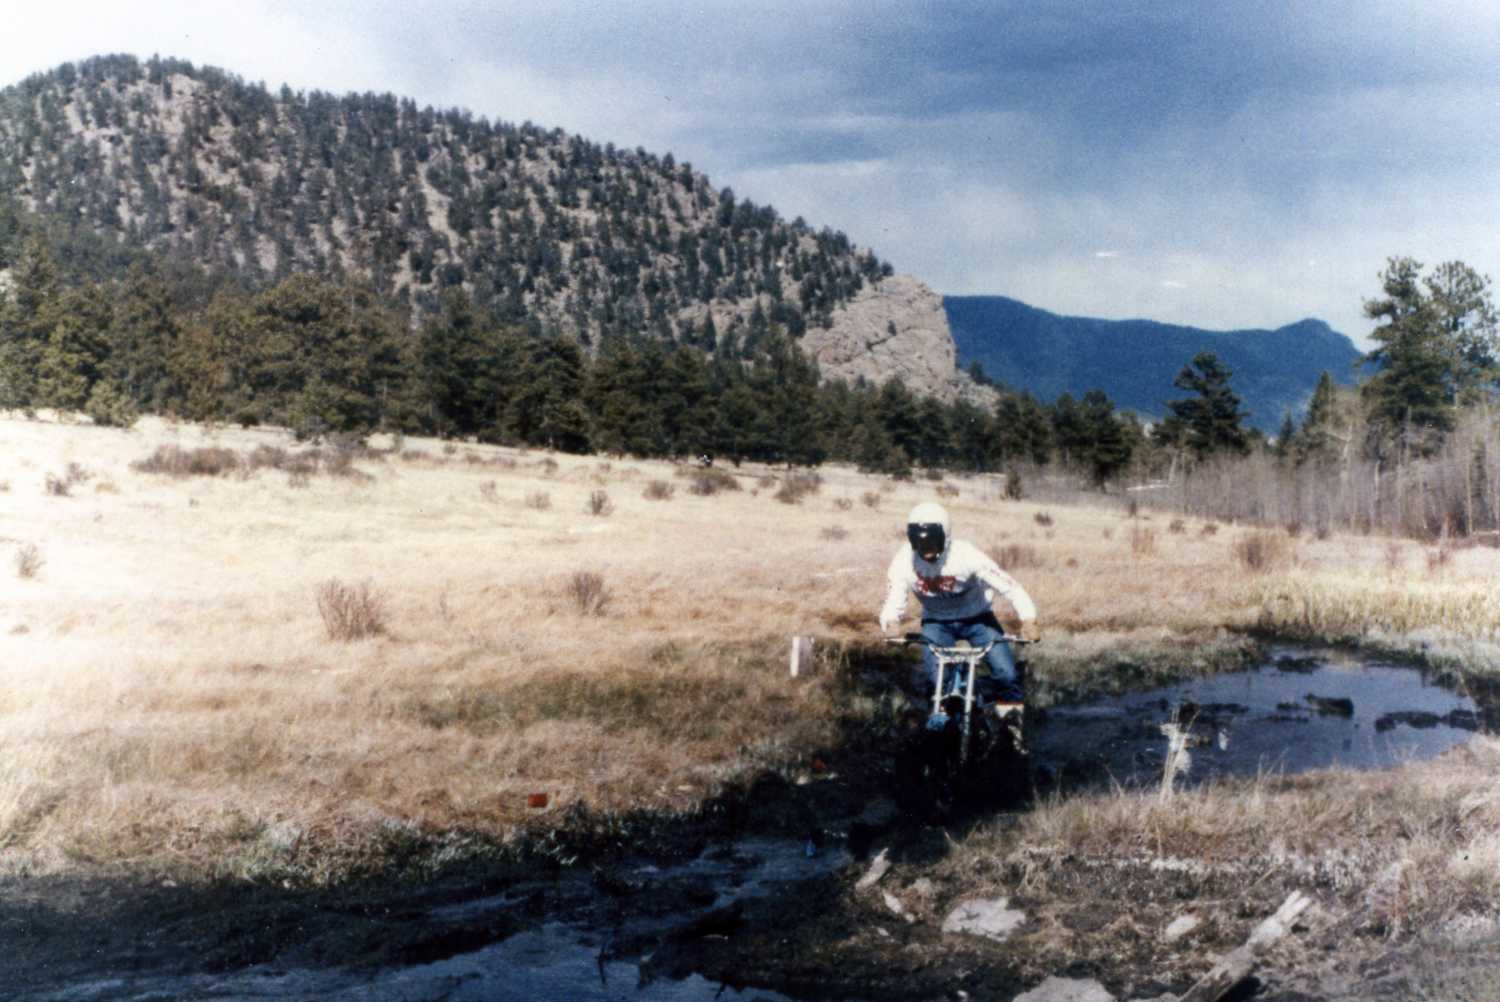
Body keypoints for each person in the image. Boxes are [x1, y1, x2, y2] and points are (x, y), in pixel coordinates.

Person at [878, 501, 1041, 733]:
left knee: (1006, 674)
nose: (926, 548)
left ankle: (1013, 733)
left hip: (978, 618)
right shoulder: (904, 560)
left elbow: (1009, 586)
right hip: (936, 621)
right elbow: (894, 596)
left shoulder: (967, 555)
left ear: (945, 537)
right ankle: (944, 732)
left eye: (932, 540)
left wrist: (1029, 619)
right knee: (936, 681)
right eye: (919, 541)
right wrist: (890, 621)